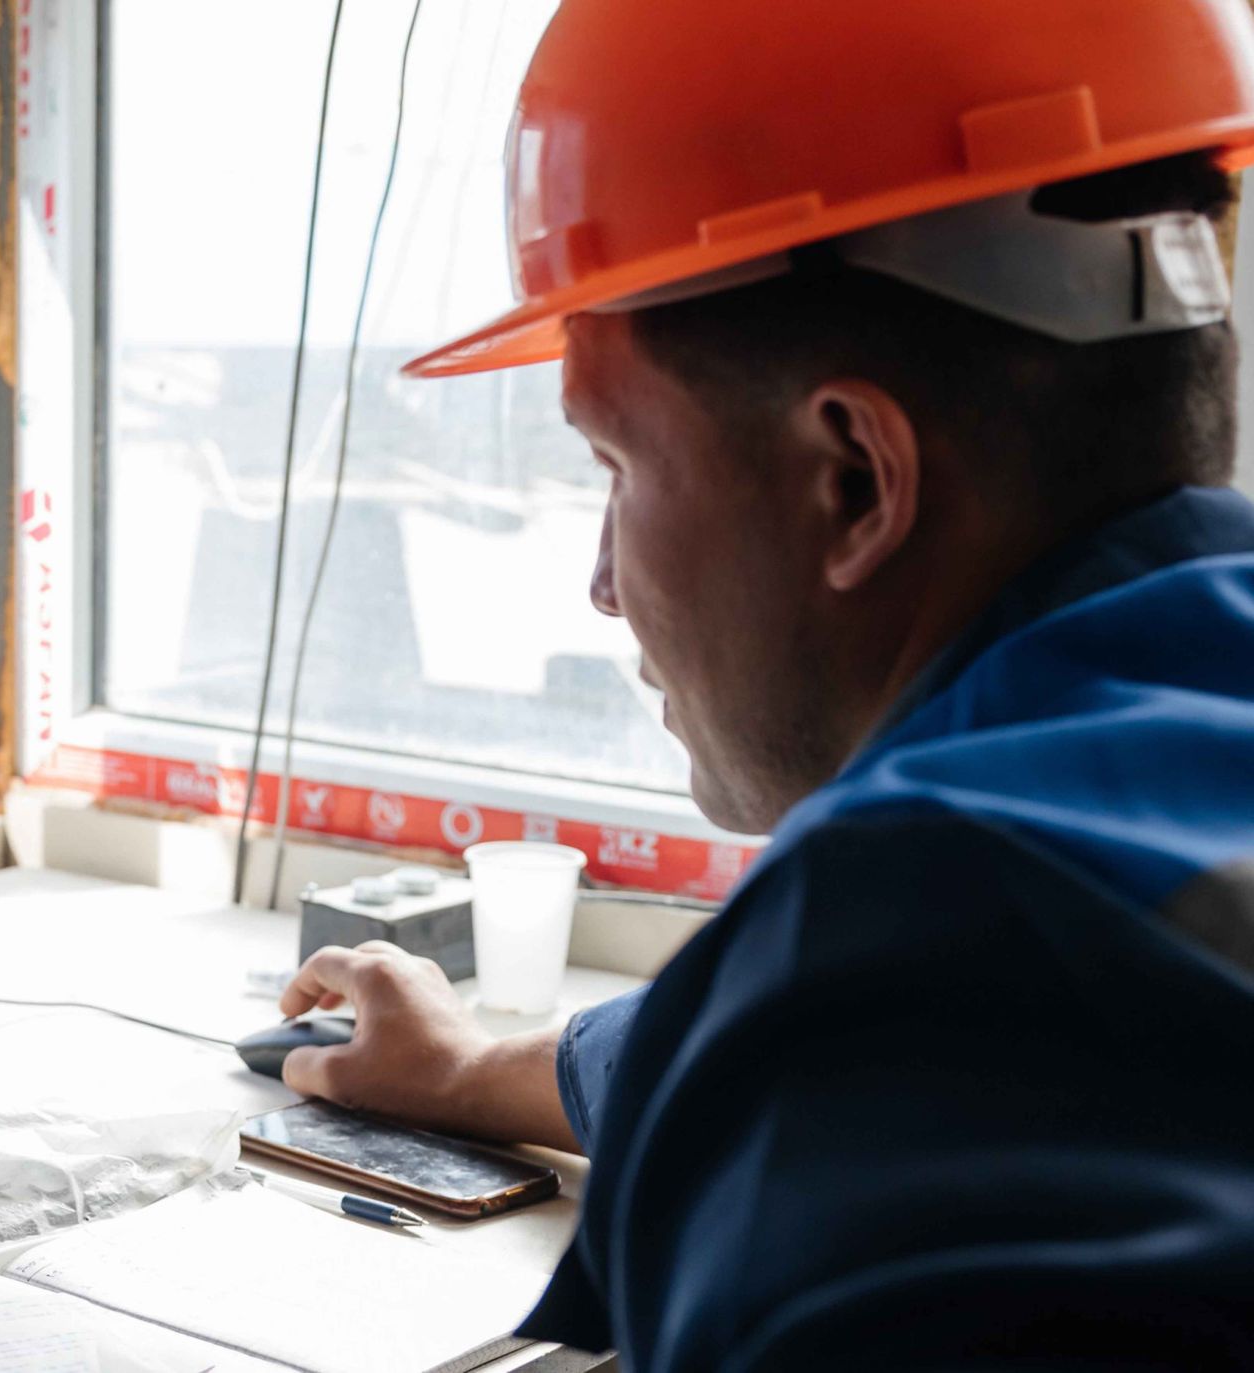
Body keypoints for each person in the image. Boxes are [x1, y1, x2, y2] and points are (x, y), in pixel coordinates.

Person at [276, 3, 1254, 1367]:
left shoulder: (902, 961)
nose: (603, 584)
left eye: (616, 464)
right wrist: (468, 1072)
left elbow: (898, 1003)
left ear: (852, 480)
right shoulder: (1166, 748)